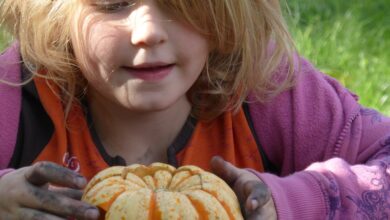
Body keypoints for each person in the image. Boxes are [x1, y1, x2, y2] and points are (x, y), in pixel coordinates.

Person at [0, 0, 389, 219]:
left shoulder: (263, 83)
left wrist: (294, 204)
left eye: (180, 3)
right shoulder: (15, 94)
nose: (148, 31)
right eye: (113, 3)